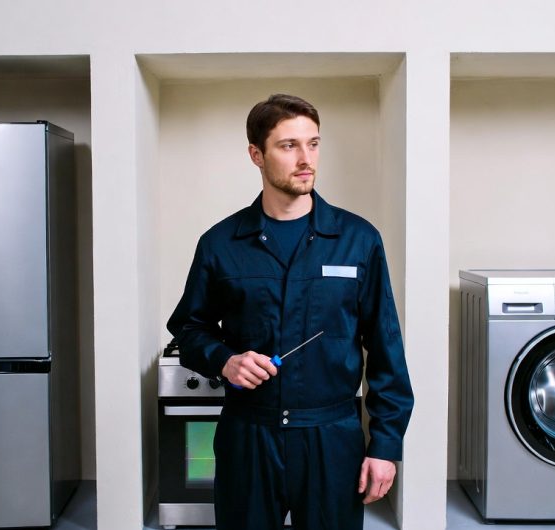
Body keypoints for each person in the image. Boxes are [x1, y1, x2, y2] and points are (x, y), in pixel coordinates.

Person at [167, 94, 413, 530]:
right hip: (249, 436)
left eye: (313, 144)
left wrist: (385, 446)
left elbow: (386, 347)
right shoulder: (221, 244)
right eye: (288, 146)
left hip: (332, 438)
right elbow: (189, 328)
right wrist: (225, 359)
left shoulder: (358, 240)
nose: (306, 159)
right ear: (256, 155)